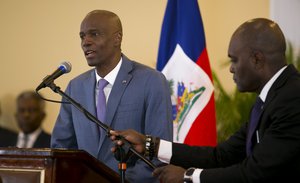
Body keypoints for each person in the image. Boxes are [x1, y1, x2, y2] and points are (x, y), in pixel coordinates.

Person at [110, 18, 300, 182]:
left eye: (234, 60)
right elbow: (221, 156)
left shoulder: (292, 98)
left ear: (257, 60)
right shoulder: (268, 100)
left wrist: (188, 177)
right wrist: (150, 145)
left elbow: (255, 173)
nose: (231, 69)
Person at [51, 10, 173, 183]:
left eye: (94, 34)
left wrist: (118, 180)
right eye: (82, 36)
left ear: (117, 38)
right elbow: (61, 148)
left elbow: (158, 150)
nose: (86, 42)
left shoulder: (151, 81)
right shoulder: (75, 87)